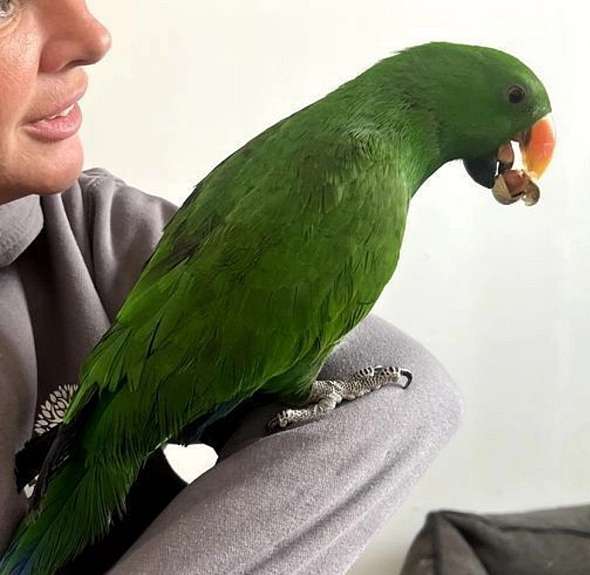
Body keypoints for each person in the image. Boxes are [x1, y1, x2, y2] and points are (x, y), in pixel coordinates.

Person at [0, 1, 463, 573]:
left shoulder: (96, 225)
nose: (94, 38)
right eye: (4, 6)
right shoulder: (356, 177)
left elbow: (417, 400)